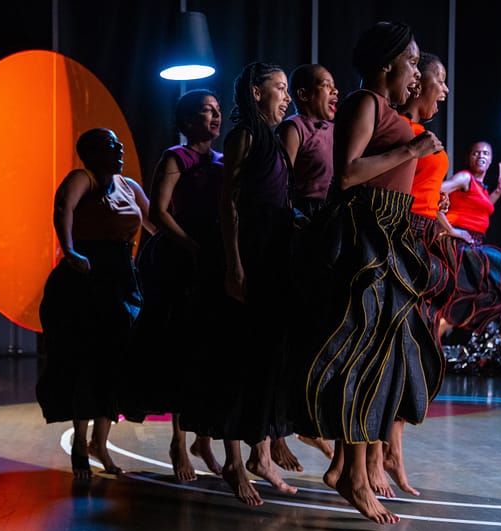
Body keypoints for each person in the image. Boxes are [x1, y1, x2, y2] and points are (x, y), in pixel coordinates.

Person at [287, 21, 443, 524]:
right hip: (367, 234)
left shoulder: (388, 110)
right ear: (386, 65)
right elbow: (348, 173)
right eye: (412, 62)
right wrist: (411, 151)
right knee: (362, 355)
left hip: (393, 230)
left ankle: (351, 466)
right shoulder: (364, 102)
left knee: (385, 357)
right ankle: (352, 474)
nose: (417, 73)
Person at [36, 127, 155, 479]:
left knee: (118, 361)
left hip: (122, 277)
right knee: (87, 361)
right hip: (88, 278)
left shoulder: (129, 186)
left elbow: (154, 222)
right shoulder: (82, 178)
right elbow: (63, 209)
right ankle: (80, 443)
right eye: (109, 145)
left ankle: (100, 444)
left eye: (118, 143)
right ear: (90, 153)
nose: (118, 149)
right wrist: (69, 250)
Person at [120, 89, 224, 481]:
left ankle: (205, 441)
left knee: (207, 352)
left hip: (211, 256)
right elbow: (159, 213)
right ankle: (178, 444)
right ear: (185, 121)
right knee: (178, 350)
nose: (214, 117)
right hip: (178, 259)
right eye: (204, 111)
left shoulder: (223, 160)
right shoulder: (174, 158)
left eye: (217, 111)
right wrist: (192, 246)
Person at [219, 61, 298, 506]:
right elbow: (228, 204)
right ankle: (235, 460)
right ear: (254, 92)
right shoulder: (244, 137)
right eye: (279, 88)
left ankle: (259, 452)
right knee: (239, 359)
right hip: (250, 251)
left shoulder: (274, 139)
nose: (285, 97)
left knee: (268, 358)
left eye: (288, 89)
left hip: (274, 252)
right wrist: (234, 265)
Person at [389, 51, 454, 497]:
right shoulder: (401, 131)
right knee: (399, 350)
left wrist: (445, 221)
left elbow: (425, 193)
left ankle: (390, 451)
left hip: (428, 237)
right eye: (439, 80)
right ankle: (381, 454)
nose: (445, 90)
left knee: (414, 351)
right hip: (405, 239)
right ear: (418, 83)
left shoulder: (423, 135)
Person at [273, 63, 339, 466]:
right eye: (325, 87)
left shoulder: (339, 130)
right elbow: (278, 185)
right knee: (291, 335)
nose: (334, 94)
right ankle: (278, 428)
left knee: (322, 334)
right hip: (301, 228)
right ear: (302, 94)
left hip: (331, 227)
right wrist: (296, 221)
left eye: (335, 87)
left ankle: (308, 417)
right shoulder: (294, 128)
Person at [439, 141, 501, 335]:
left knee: (484, 291)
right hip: (459, 242)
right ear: (468, 157)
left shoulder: (480, 187)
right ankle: (441, 328)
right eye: (476, 152)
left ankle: (445, 328)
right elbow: (436, 189)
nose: (481, 155)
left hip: (475, 243)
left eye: (486, 153)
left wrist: (498, 191)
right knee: (496, 268)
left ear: (490, 161)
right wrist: (450, 229)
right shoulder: (465, 178)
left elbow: (482, 209)